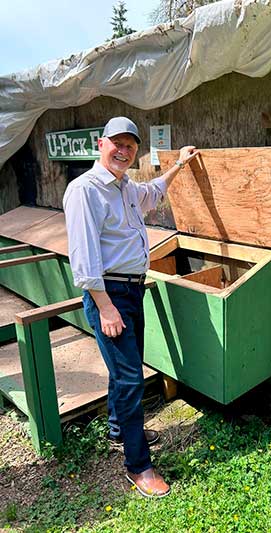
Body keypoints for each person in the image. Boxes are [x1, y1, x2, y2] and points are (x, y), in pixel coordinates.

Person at [63, 116, 198, 498]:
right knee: (129, 378)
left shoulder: (124, 187)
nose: (123, 151)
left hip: (132, 291)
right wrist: (106, 307)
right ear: (100, 144)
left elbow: (153, 193)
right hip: (110, 296)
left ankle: (119, 431)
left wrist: (178, 164)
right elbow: (84, 259)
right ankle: (138, 467)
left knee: (124, 369)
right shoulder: (85, 191)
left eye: (130, 146)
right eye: (117, 143)